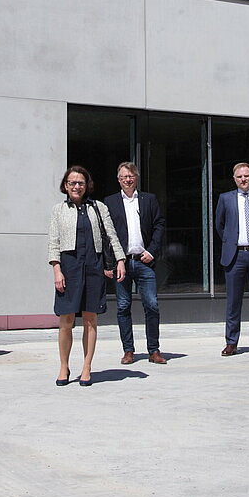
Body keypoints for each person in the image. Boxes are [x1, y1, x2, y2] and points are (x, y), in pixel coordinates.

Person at [48, 166, 126, 387]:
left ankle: (86, 367)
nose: (76, 186)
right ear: (65, 186)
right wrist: (56, 270)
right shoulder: (58, 210)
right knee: (66, 320)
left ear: (87, 185)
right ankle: (64, 366)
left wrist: (120, 260)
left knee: (91, 319)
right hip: (69, 267)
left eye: (80, 183)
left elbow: (112, 235)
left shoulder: (98, 208)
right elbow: (53, 242)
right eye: (72, 183)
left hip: (93, 266)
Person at [103, 162, 167, 365]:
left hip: (144, 262)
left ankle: (153, 350)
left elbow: (159, 225)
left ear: (136, 178)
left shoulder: (149, 199)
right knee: (123, 307)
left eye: (130, 176)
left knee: (152, 305)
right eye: (123, 177)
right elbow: (106, 234)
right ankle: (128, 350)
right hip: (121, 263)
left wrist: (152, 251)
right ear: (118, 180)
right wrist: (109, 263)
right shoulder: (110, 202)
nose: (127, 180)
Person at [215, 162, 249, 356]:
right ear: (234, 179)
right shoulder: (225, 198)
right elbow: (219, 224)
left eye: (246, 176)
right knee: (233, 302)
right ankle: (231, 342)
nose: (243, 179)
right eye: (239, 177)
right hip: (235, 255)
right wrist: (231, 241)